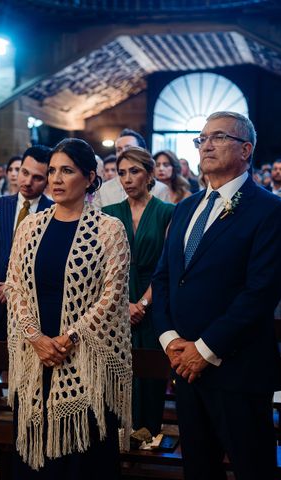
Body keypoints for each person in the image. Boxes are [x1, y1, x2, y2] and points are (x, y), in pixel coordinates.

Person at [152, 111, 281, 479]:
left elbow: (260, 293)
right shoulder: (184, 209)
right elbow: (165, 278)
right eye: (201, 139)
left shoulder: (272, 211)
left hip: (236, 367)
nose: (206, 145)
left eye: (218, 137)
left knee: (252, 468)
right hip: (184, 366)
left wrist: (205, 349)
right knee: (198, 468)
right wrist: (170, 341)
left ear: (246, 149)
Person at [5, 137, 132, 476]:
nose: (56, 179)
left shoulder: (109, 229)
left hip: (82, 360)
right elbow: (14, 285)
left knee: (80, 460)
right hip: (36, 355)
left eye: (67, 171)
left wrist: (70, 338)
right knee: (34, 454)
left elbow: (112, 295)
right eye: (52, 172)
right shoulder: (30, 226)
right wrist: (35, 337)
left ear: (90, 177)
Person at [102, 146, 174, 436]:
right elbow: (103, 267)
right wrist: (122, 304)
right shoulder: (108, 214)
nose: (127, 179)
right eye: (121, 173)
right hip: (115, 302)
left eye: (134, 171)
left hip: (153, 303)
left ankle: (148, 435)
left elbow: (167, 266)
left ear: (149, 174)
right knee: (117, 372)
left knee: (149, 374)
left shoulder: (168, 212)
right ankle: (117, 437)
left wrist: (142, 304)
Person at [0, 145, 53, 422]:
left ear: (47, 179)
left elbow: (45, 265)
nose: (27, 181)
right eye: (24, 173)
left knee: (28, 381)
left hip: (31, 311)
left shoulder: (52, 210)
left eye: (37, 177)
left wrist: (13, 288)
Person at [92, 129, 170, 208]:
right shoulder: (103, 190)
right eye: (119, 150)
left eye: (128, 148)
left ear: (141, 151)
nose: (123, 153)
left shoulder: (160, 189)